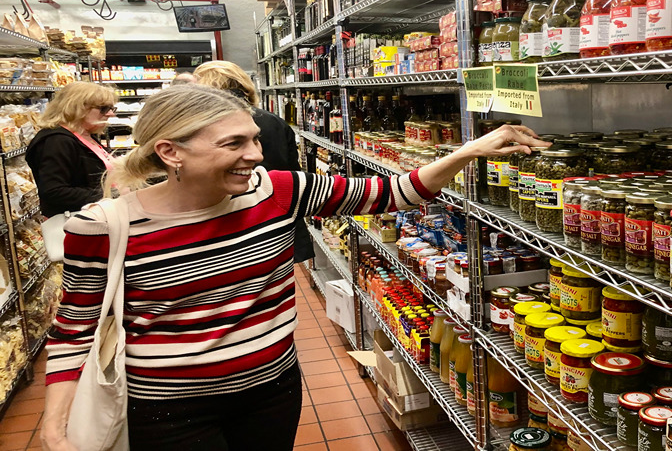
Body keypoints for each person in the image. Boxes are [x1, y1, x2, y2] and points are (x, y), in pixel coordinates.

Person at [40, 85, 547, 451]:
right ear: (170, 152)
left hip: (272, 389)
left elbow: (393, 193)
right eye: (234, 144)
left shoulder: (279, 191)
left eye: (255, 140)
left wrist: (471, 150)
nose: (254, 156)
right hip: (170, 409)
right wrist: (55, 425)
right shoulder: (105, 225)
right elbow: (75, 329)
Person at [193, 60, 315, 264]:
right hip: (278, 216)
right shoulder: (273, 120)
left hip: (231, 222)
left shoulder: (204, 124)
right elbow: (293, 171)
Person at [25, 81, 117, 218]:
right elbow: (54, 191)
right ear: (77, 107)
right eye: (103, 109)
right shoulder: (56, 141)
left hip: (95, 217)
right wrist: (110, 195)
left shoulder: (84, 135)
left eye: (112, 108)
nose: (110, 114)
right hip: (76, 224)